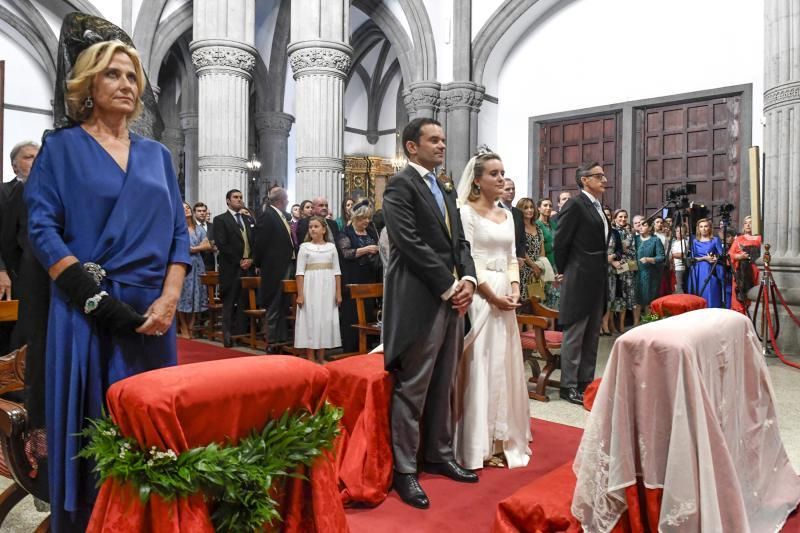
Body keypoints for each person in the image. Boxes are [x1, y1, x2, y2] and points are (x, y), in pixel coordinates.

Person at [25, 39, 189, 531]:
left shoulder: (158, 154)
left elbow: (179, 232)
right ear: (89, 86)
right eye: (113, 74)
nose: (125, 84)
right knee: (91, 426)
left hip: (154, 312)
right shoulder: (62, 147)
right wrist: (91, 298)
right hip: (85, 310)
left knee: (149, 428)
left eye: (132, 76)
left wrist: (171, 297)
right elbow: (41, 229)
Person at [382, 117, 478, 509]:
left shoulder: (443, 185)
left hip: (453, 296)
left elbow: (458, 239)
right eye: (433, 140)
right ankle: (405, 469)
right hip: (421, 296)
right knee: (414, 385)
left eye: (443, 139)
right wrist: (448, 284)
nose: (442, 145)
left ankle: (439, 454)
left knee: (445, 380)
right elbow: (409, 242)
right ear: (411, 147)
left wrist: (469, 277)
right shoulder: (399, 185)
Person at [453, 151, 531, 470]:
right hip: (480, 296)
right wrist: (493, 296)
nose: (501, 179)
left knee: (504, 362)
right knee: (479, 363)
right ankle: (475, 441)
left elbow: (512, 257)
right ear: (477, 179)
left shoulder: (508, 215)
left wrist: (514, 290)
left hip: (505, 296)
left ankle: (501, 438)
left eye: (503, 173)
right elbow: (467, 259)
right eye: (494, 174)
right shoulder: (465, 213)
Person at [553, 162, 608, 405]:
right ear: (585, 180)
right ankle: (569, 385)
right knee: (575, 334)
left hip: (597, 278)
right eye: (599, 176)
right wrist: (567, 269)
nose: (604, 179)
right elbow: (560, 241)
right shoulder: (575, 204)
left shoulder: (598, 206)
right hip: (579, 276)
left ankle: (586, 381)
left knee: (592, 332)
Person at [294, 216, 342, 362]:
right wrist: (300, 294)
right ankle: (310, 357)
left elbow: (337, 271)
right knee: (311, 319)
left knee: (324, 319)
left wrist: (338, 293)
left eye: (316, 226)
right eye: (310, 227)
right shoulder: (304, 247)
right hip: (310, 287)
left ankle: (321, 356)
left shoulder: (331, 247)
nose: (312, 229)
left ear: (323, 229)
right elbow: (300, 272)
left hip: (328, 288)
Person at [336, 200, 382, 352]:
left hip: (369, 276)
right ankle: (351, 347)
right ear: (356, 218)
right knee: (352, 313)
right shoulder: (346, 232)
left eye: (369, 218)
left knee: (368, 312)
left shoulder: (370, 232)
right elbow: (346, 253)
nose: (367, 221)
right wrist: (366, 249)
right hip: (352, 277)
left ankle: (366, 346)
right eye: (364, 218)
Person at [253, 187, 295, 348]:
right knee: (274, 303)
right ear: (281, 200)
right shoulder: (267, 216)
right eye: (286, 200)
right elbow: (260, 243)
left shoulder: (280, 215)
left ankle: (281, 338)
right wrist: (258, 263)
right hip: (274, 267)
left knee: (283, 304)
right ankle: (271, 341)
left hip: (285, 264)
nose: (288, 202)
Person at [213, 189, 255, 347]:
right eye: (235, 197)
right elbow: (222, 244)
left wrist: (251, 259)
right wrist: (239, 261)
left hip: (247, 267)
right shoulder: (220, 220)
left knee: (244, 301)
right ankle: (227, 336)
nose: (239, 200)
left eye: (241, 197)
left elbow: (254, 242)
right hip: (231, 268)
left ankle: (241, 334)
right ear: (228, 201)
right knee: (229, 302)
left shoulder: (247, 219)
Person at [177, 202, 211, 338]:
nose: (186, 210)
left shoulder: (198, 228)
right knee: (183, 295)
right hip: (183, 263)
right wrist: (198, 247)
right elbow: (178, 246)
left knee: (196, 295)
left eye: (187, 208)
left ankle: (191, 326)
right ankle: (183, 326)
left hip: (198, 264)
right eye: (183, 208)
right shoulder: (177, 228)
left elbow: (208, 244)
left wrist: (194, 249)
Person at [606, 210, 639, 330]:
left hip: (627, 269)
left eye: (625, 217)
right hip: (613, 267)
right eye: (620, 217)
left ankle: (622, 324)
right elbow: (612, 250)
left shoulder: (629, 233)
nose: (623, 219)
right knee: (614, 297)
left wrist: (628, 265)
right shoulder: (612, 231)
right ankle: (611, 324)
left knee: (626, 298)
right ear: (615, 218)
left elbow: (633, 252)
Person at [515, 198, 546, 308]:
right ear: (520, 210)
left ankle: (533, 326)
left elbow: (542, 249)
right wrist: (533, 266)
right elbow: (521, 249)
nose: (530, 210)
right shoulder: (518, 227)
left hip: (537, 271)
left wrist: (540, 265)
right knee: (523, 306)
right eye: (526, 208)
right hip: (524, 269)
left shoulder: (538, 227)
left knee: (536, 306)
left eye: (531, 207)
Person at [688, 218, 724, 308]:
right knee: (697, 293)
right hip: (696, 271)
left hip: (710, 271)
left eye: (705, 226)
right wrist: (704, 258)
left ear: (709, 228)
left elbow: (722, 257)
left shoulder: (715, 240)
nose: (703, 229)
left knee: (710, 293)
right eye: (701, 227)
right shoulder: (694, 241)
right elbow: (691, 258)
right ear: (698, 229)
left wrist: (715, 258)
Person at [729, 215, 762, 314]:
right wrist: (739, 257)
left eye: (751, 223)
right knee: (740, 294)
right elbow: (731, 254)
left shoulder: (760, 238)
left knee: (755, 292)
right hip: (741, 271)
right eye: (746, 223)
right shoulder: (739, 239)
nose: (748, 225)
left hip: (756, 270)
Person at [535, 197, 561, 311]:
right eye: (545, 205)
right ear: (539, 208)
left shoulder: (554, 224)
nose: (548, 208)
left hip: (556, 263)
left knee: (555, 297)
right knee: (542, 298)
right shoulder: (536, 224)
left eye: (550, 205)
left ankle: (553, 328)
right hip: (543, 264)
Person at [635, 219, 665, 314]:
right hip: (636, 274)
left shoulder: (655, 240)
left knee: (650, 301)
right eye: (639, 225)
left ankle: (651, 322)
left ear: (650, 227)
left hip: (651, 275)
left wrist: (649, 259)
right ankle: (636, 324)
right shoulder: (635, 239)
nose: (641, 227)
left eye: (644, 225)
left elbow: (662, 257)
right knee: (636, 301)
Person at [498, 178, 528, 262]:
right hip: (500, 259)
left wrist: (521, 256)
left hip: (517, 260)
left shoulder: (518, 213)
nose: (511, 191)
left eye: (513, 189)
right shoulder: (494, 211)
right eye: (507, 189)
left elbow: (522, 237)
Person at [193, 202, 216, 272]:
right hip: (195, 262)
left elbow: (216, 243)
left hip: (210, 264)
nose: (202, 213)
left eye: (204, 211)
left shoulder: (213, 226)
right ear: (194, 212)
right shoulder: (191, 226)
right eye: (199, 211)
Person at [670, 224, 688, 294]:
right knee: (675, 286)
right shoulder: (674, 242)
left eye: (681, 231)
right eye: (677, 231)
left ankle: (683, 302)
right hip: (674, 266)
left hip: (680, 267)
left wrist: (671, 255)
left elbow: (681, 254)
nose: (679, 233)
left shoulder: (684, 242)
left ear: (685, 233)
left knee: (679, 286)